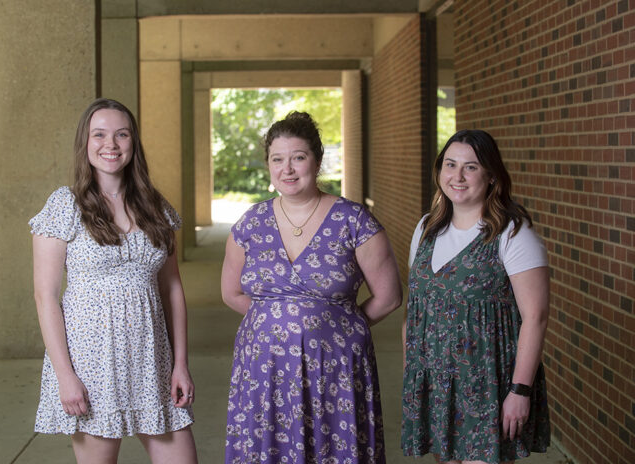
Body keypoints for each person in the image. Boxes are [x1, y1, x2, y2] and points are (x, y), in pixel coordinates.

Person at [221, 111, 402, 463]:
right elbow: (231, 292)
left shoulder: (354, 221)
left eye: (298, 158)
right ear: (268, 166)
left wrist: (339, 326)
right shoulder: (249, 224)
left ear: (316, 162)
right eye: (278, 159)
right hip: (264, 367)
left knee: (332, 449)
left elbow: (389, 296)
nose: (287, 169)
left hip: (334, 365)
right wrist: (280, 321)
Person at [30, 98, 198, 463]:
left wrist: (180, 363)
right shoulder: (65, 206)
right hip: (93, 366)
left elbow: (172, 291)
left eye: (121, 134)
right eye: (100, 135)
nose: (111, 144)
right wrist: (65, 375)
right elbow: (45, 297)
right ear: (85, 143)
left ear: (133, 143)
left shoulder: (155, 206)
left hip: (152, 361)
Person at [400, 129, 551, 464]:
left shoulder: (511, 232)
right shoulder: (426, 229)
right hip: (437, 385)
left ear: (491, 175)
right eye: (450, 165)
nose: (457, 176)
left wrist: (520, 391)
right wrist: (415, 371)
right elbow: (417, 307)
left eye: (470, 167)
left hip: (487, 386)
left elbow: (536, 317)